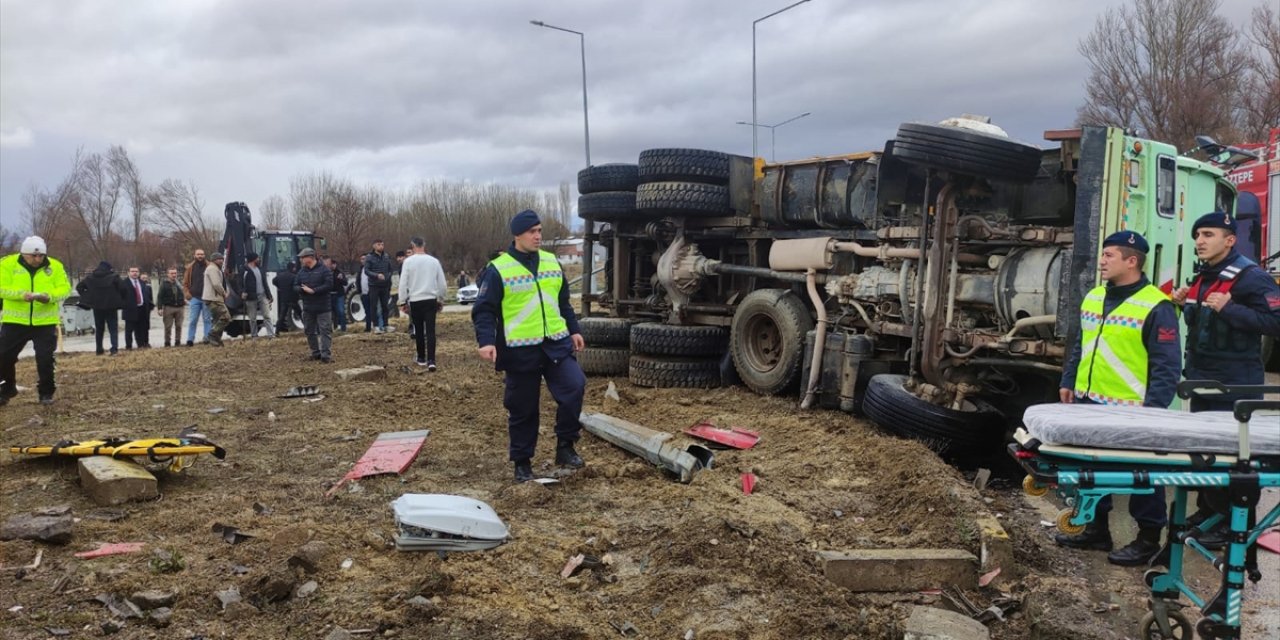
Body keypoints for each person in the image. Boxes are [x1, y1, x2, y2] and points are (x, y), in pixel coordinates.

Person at [1055, 230, 1181, 566]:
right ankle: (1096, 530)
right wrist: (1069, 379)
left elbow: (1167, 366)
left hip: (1130, 408)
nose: (1102, 260)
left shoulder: (1157, 305)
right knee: (1092, 471)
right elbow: (1082, 345)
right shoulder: (1095, 296)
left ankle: (1149, 539)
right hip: (1088, 400)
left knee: (1142, 475)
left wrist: (1152, 413)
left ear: (1132, 261)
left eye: (1110, 255)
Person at [1170, 211, 1280, 546]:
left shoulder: (1251, 277)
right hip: (1203, 381)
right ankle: (1209, 512)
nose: (1200, 241)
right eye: (1198, 235)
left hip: (1235, 385)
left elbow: (1275, 322)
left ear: (1229, 240)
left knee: (1236, 457)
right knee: (1206, 453)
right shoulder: (1204, 276)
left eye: (1208, 234)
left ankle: (1235, 523)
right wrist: (1181, 301)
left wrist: (1229, 308)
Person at [472, 210, 587, 483]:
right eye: (532, 232)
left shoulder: (551, 262)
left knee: (575, 386)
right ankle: (522, 463)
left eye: (539, 231)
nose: (537, 236)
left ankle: (565, 446)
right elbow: (484, 310)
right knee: (523, 408)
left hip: (555, 343)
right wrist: (486, 341)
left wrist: (574, 330)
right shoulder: (498, 269)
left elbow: (563, 303)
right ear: (517, 235)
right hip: (520, 349)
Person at [0, 236, 70, 406]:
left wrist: (50, 297)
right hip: (15, 322)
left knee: (45, 358)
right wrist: (21, 295)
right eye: (33, 256)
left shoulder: (55, 266)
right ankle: (7, 388)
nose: (38, 259)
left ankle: (46, 393)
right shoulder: (7, 264)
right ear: (23, 254)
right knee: (3, 357)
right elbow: (2, 288)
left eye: (41, 256)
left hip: (44, 322)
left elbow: (65, 288)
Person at [399, 236, 447, 369]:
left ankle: (421, 358)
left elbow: (403, 283)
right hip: (430, 299)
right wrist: (441, 298)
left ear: (413, 246)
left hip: (415, 300)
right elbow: (442, 283)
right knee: (431, 331)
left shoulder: (408, 262)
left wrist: (402, 301)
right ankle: (432, 360)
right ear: (424, 245)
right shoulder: (434, 261)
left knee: (419, 330)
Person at [76, 260, 128, 356]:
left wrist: (88, 296)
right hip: (111, 306)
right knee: (113, 328)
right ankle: (114, 349)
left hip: (97, 307)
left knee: (99, 329)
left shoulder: (90, 278)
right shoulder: (114, 277)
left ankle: (99, 349)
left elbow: (79, 287)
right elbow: (123, 288)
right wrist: (118, 298)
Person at [295, 248, 334, 363]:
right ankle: (315, 352)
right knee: (309, 331)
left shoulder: (324, 270)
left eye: (303, 257)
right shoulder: (301, 272)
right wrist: (301, 289)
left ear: (310, 257)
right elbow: (295, 285)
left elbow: (329, 285)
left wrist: (314, 291)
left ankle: (325, 355)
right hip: (308, 307)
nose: (301, 260)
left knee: (325, 330)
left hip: (323, 307)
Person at [183, 249, 213, 346]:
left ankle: (207, 338)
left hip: (206, 297)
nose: (200, 256)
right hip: (194, 298)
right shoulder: (190, 268)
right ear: (194, 255)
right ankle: (190, 339)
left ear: (204, 255)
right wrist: (187, 294)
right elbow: (185, 283)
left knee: (207, 319)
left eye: (202, 254)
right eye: (198, 254)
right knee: (193, 320)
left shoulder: (210, 267)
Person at [241, 252, 275, 339]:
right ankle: (254, 335)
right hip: (250, 297)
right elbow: (240, 283)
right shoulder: (245, 270)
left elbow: (265, 283)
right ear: (253, 259)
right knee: (252, 318)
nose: (259, 260)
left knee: (267, 316)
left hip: (262, 296)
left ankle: (271, 335)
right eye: (257, 258)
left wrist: (269, 295)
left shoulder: (260, 269)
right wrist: (242, 292)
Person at [202, 252, 231, 346]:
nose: (221, 261)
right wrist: (224, 293)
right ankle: (212, 334)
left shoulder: (214, 268)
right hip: (214, 298)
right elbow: (216, 284)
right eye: (219, 259)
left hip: (213, 298)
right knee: (225, 317)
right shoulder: (212, 269)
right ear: (214, 260)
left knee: (217, 319)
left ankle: (216, 340)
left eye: (222, 259)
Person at [365, 239, 393, 332]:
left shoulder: (386, 256)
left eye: (382, 244)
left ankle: (386, 325)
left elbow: (390, 269)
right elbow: (366, 271)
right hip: (374, 285)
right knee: (374, 306)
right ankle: (376, 325)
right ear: (374, 246)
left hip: (384, 285)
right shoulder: (369, 257)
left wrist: (387, 277)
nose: (381, 246)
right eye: (378, 244)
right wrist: (376, 275)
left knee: (385, 305)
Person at [121, 266, 151, 350]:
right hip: (130, 310)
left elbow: (145, 294)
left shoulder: (141, 282)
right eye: (132, 271)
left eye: (136, 271)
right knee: (129, 330)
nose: (134, 273)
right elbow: (121, 296)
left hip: (141, 308)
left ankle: (140, 344)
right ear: (128, 273)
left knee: (141, 328)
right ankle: (129, 346)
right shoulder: (124, 283)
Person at [157, 267, 185, 347]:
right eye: (172, 273)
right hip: (168, 307)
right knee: (168, 326)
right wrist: (159, 308)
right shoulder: (164, 284)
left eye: (175, 273)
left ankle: (178, 341)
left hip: (180, 307)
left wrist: (184, 300)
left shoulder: (179, 284)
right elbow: (160, 297)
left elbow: (183, 293)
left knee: (179, 326)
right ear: (168, 274)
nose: (174, 275)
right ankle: (167, 342)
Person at [273, 261, 299, 334]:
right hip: (293, 299)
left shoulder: (280, 275)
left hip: (284, 298)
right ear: (293, 268)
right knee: (300, 313)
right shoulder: (294, 276)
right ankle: (307, 329)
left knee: (282, 316)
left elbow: (273, 281)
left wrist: (279, 287)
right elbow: (296, 286)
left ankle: (277, 331)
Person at [325, 256, 348, 332]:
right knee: (332, 312)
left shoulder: (339, 272)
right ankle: (334, 327)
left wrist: (341, 279)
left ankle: (343, 328)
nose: (332, 265)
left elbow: (345, 283)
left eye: (334, 264)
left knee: (340, 311)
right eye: (331, 264)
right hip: (329, 295)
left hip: (339, 294)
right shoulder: (326, 272)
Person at [356, 254, 373, 332]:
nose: (363, 260)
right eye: (361, 259)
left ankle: (376, 326)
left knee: (373, 310)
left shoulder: (371, 269)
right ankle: (368, 327)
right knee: (367, 311)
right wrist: (359, 291)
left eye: (364, 259)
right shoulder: (360, 270)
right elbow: (358, 281)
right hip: (364, 294)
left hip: (371, 293)